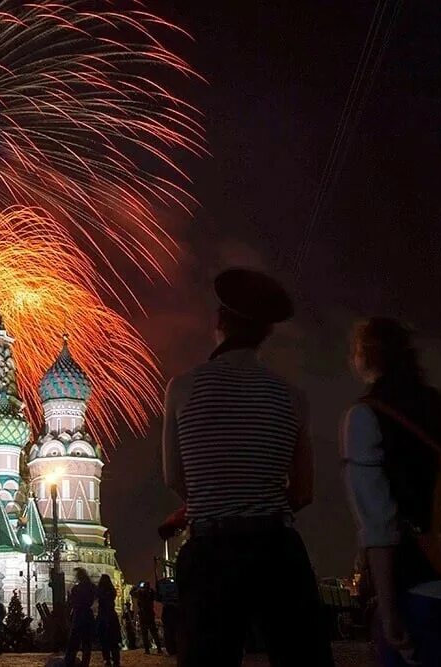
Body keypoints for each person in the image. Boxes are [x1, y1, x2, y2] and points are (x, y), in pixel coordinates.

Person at [162, 268, 333, 667]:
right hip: (275, 551)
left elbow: (175, 477)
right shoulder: (292, 396)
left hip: (210, 553)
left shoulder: (182, 388)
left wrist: (216, 499)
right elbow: (303, 491)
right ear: (265, 334)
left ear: (219, 323)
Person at [342, 318, 441, 666]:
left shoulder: (366, 417)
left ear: (363, 357)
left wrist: (386, 611)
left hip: (422, 596)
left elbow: (379, 527)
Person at [64, 568, 96, 667]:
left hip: (78, 615)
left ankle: (69, 661)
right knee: (87, 643)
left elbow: (71, 602)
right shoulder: (92, 587)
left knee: (74, 641)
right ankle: (85, 663)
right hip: (87, 615)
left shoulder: (76, 589)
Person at [96, 574, 121, 667]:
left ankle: (107, 660)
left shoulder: (100, 591)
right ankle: (116, 660)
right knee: (113, 641)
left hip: (103, 616)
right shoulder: (111, 590)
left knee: (104, 641)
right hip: (112, 616)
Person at [129, 582, 160, 654]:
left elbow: (132, 593)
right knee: (154, 632)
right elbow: (157, 596)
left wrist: (135, 587)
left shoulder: (140, 592)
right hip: (150, 613)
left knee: (144, 633)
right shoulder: (151, 592)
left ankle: (147, 650)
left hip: (143, 614)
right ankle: (159, 648)